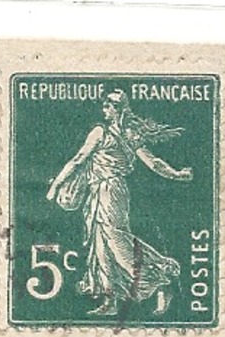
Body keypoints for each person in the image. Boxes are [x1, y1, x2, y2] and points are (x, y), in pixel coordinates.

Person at [45, 88, 192, 318]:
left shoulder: (119, 133)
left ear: (118, 108)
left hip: (111, 191)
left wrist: (176, 174)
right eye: (104, 104)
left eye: (108, 104)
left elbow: (151, 162)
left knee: (117, 242)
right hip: (96, 191)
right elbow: (79, 160)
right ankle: (110, 298)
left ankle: (162, 278)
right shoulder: (107, 132)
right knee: (100, 245)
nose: (104, 108)